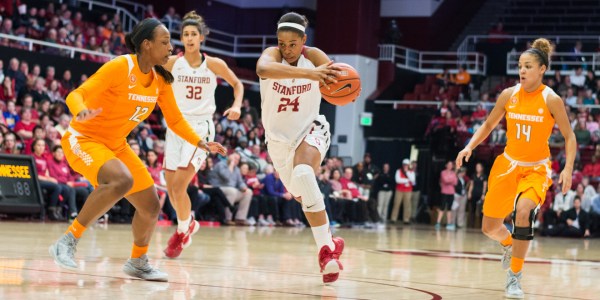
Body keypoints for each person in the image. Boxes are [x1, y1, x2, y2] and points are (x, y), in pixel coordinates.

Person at [48, 18, 226, 282]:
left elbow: (175, 120)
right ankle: (67, 241)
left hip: (116, 144)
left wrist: (200, 142)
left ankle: (138, 261)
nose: (170, 48)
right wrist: (80, 111)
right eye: (165, 42)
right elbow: (76, 94)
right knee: (122, 180)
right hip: (83, 138)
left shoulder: (160, 80)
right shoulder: (121, 66)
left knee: (151, 206)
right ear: (146, 45)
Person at [455, 38, 576, 298]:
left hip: (536, 169)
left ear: (542, 69)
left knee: (523, 212)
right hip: (507, 165)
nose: (522, 70)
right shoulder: (508, 95)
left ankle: (514, 277)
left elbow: (569, 136)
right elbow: (487, 126)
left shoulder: (551, 99)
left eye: (528, 66)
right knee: (489, 228)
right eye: (520, 66)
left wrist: (567, 169)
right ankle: (509, 243)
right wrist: (469, 147)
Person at [256, 12, 344, 284]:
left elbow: (337, 77)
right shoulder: (271, 56)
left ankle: (325, 252)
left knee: (305, 174)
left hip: (311, 128)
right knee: (302, 195)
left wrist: (344, 88)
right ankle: (331, 240)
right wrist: (310, 74)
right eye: (282, 43)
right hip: (278, 141)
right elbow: (262, 70)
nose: (287, 49)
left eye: (293, 44)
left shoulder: (315, 55)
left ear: (303, 40)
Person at [161, 11, 244, 259]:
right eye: (185, 34)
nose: (189, 38)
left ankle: (182, 231)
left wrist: (237, 105)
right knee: (171, 189)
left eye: (193, 34)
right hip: (175, 127)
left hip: (200, 129)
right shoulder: (172, 63)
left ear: (201, 38)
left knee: (178, 187)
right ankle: (189, 224)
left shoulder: (213, 64)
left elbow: (238, 84)